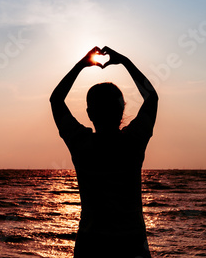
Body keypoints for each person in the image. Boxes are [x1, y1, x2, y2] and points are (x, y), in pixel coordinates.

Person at [50, 46, 158, 258]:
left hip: (92, 244)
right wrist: (125, 61)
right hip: (132, 244)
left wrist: (81, 64)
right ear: (122, 110)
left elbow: (56, 100)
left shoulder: (81, 144)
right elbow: (151, 98)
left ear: (90, 113)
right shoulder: (133, 142)